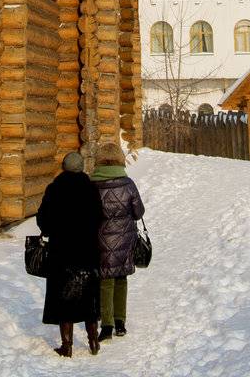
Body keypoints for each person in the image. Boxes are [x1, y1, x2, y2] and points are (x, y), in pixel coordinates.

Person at [36, 152, 103, 358]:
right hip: (88, 251)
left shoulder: (54, 189)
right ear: (81, 167)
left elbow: (43, 222)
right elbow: (100, 217)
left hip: (62, 253)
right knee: (89, 296)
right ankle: (93, 341)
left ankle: (67, 346)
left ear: (64, 167)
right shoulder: (91, 189)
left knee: (63, 298)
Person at [93, 141, 144, 342]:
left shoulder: (93, 184)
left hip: (101, 238)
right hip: (124, 238)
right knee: (121, 278)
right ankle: (120, 322)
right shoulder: (128, 183)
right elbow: (138, 212)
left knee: (105, 280)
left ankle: (106, 325)